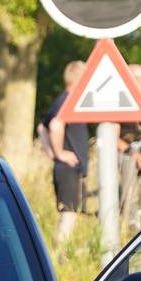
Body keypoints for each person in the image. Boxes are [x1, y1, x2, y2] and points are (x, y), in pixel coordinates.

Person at [42, 60, 89, 244]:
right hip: (68, 168)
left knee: (69, 214)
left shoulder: (62, 99)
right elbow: (54, 125)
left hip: (64, 168)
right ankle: (61, 254)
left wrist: (51, 153)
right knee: (68, 216)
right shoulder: (69, 101)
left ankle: (62, 254)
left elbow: (42, 127)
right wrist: (60, 153)